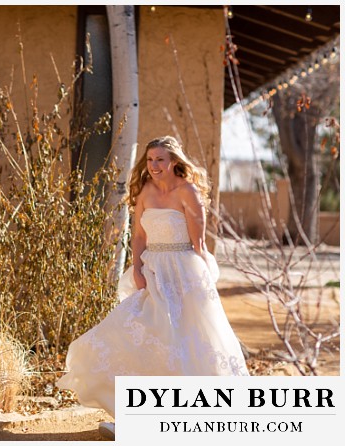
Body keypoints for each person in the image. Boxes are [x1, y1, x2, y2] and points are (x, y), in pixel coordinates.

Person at [57, 136, 248, 438]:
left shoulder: (188, 191)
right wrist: (136, 267)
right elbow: (139, 237)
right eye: (150, 160)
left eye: (160, 159)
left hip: (183, 271)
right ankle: (134, 414)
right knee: (135, 332)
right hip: (152, 268)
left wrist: (200, 285)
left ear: (174, 161)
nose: (155, 166)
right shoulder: (145, 191)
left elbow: (198, 244)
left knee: (181, 339)